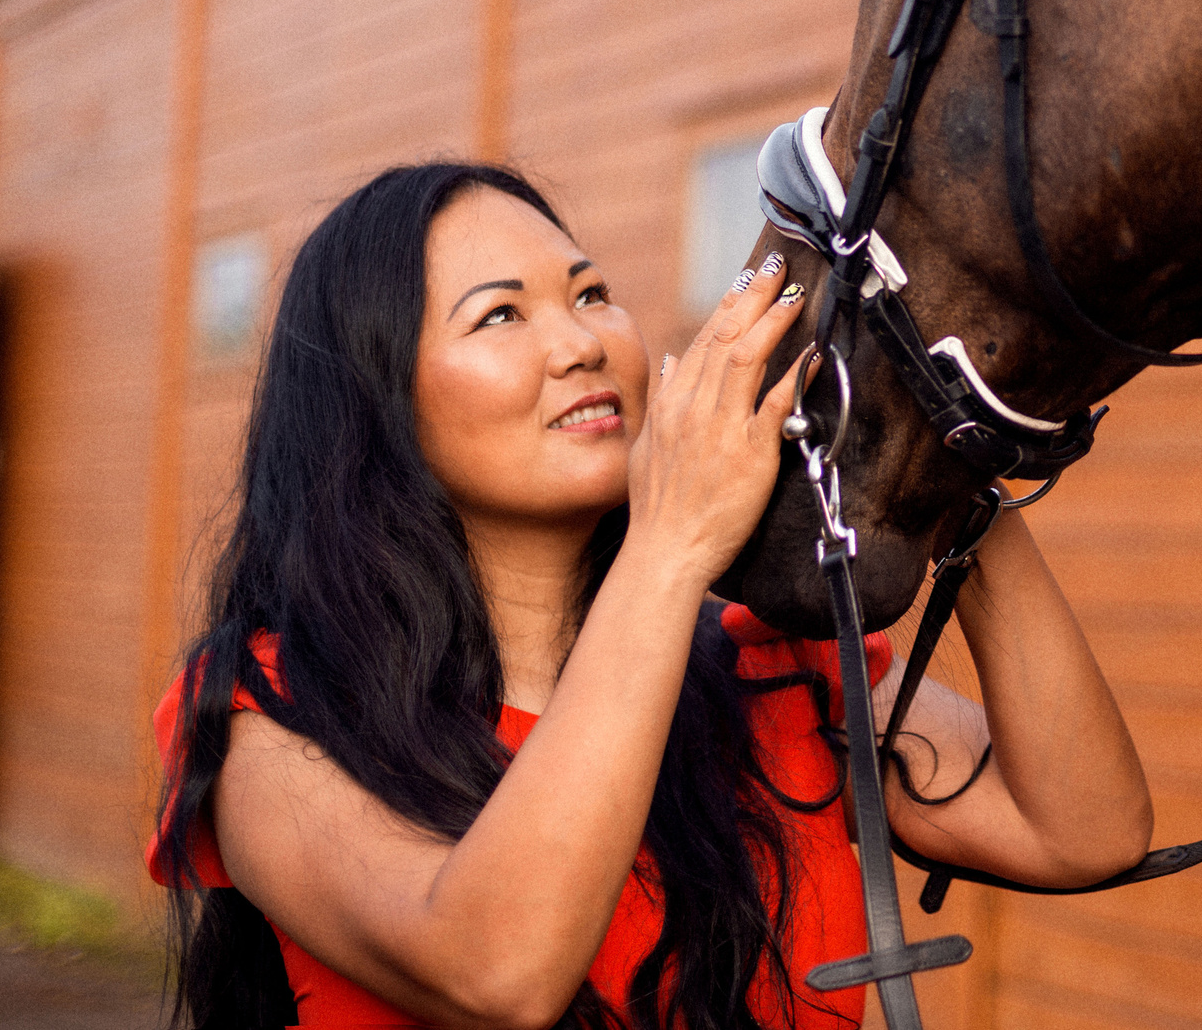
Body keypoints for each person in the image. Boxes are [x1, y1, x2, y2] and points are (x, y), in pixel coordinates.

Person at [150, 163, 1151, 1029]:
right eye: (500, 314)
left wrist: (956, 478)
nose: (580, 341)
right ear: (378, 401)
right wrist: (672, 541)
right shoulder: (273, 711)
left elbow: (1079, 828)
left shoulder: (759, 671)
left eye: (591, 293)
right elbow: (494, 969)